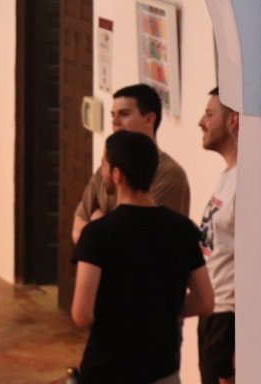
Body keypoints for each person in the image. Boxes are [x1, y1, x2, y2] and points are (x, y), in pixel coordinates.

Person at [72, 131, 214, 383]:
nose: (102, 171)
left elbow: (81, 314)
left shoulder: (97, 233)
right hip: (162, 369)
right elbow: (205, 302)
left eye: (104, 165)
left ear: (117, 175)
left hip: (107, 369)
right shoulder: (182, 229)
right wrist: (161, 311)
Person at [72, 83, 191, 244]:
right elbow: (77, 229)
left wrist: (97, 220)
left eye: (124, 114)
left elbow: (136, 241)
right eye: (113, 115)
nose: (115, 122)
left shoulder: (170, 174)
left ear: (149, 119)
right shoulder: (106, 166)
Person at [197, 87, 239, 384]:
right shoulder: (227, 175)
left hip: (228, 317)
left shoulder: (243, 182)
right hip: (213, 311)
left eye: (210, 114)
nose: (201, 122)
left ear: (233, 120)